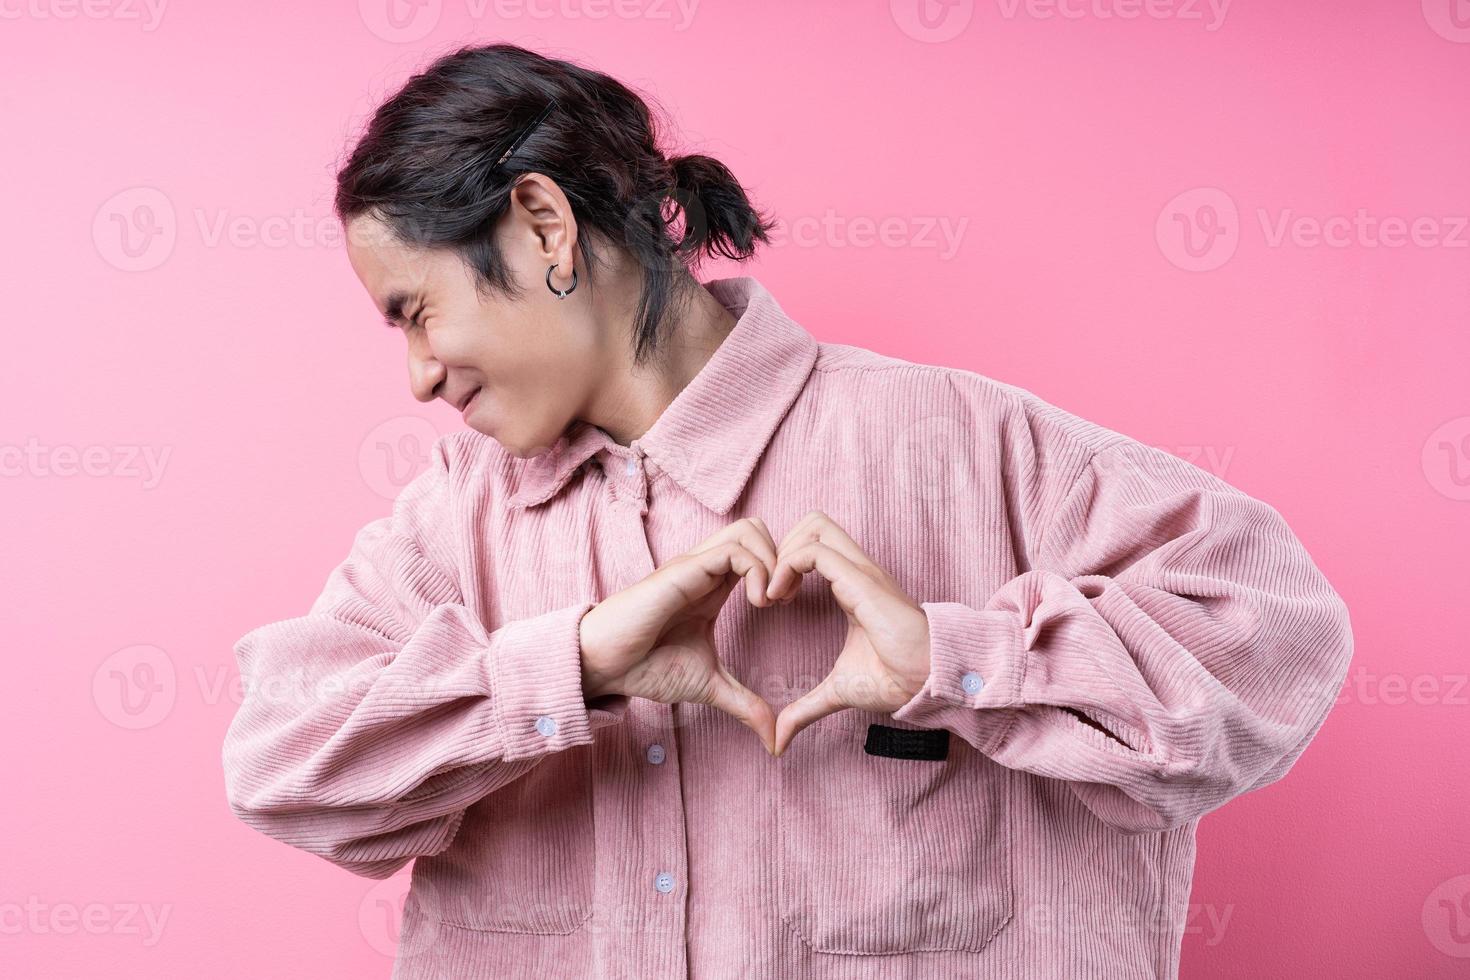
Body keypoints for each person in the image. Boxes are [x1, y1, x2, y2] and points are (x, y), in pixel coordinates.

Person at [220, 42, 1354, 980]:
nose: (418, 375)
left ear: (544, 226)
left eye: (416, 310)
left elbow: (1278, 633)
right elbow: (283, 766)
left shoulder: (960, 443)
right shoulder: (450, 524)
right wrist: (563, 668)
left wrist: (963, 658)